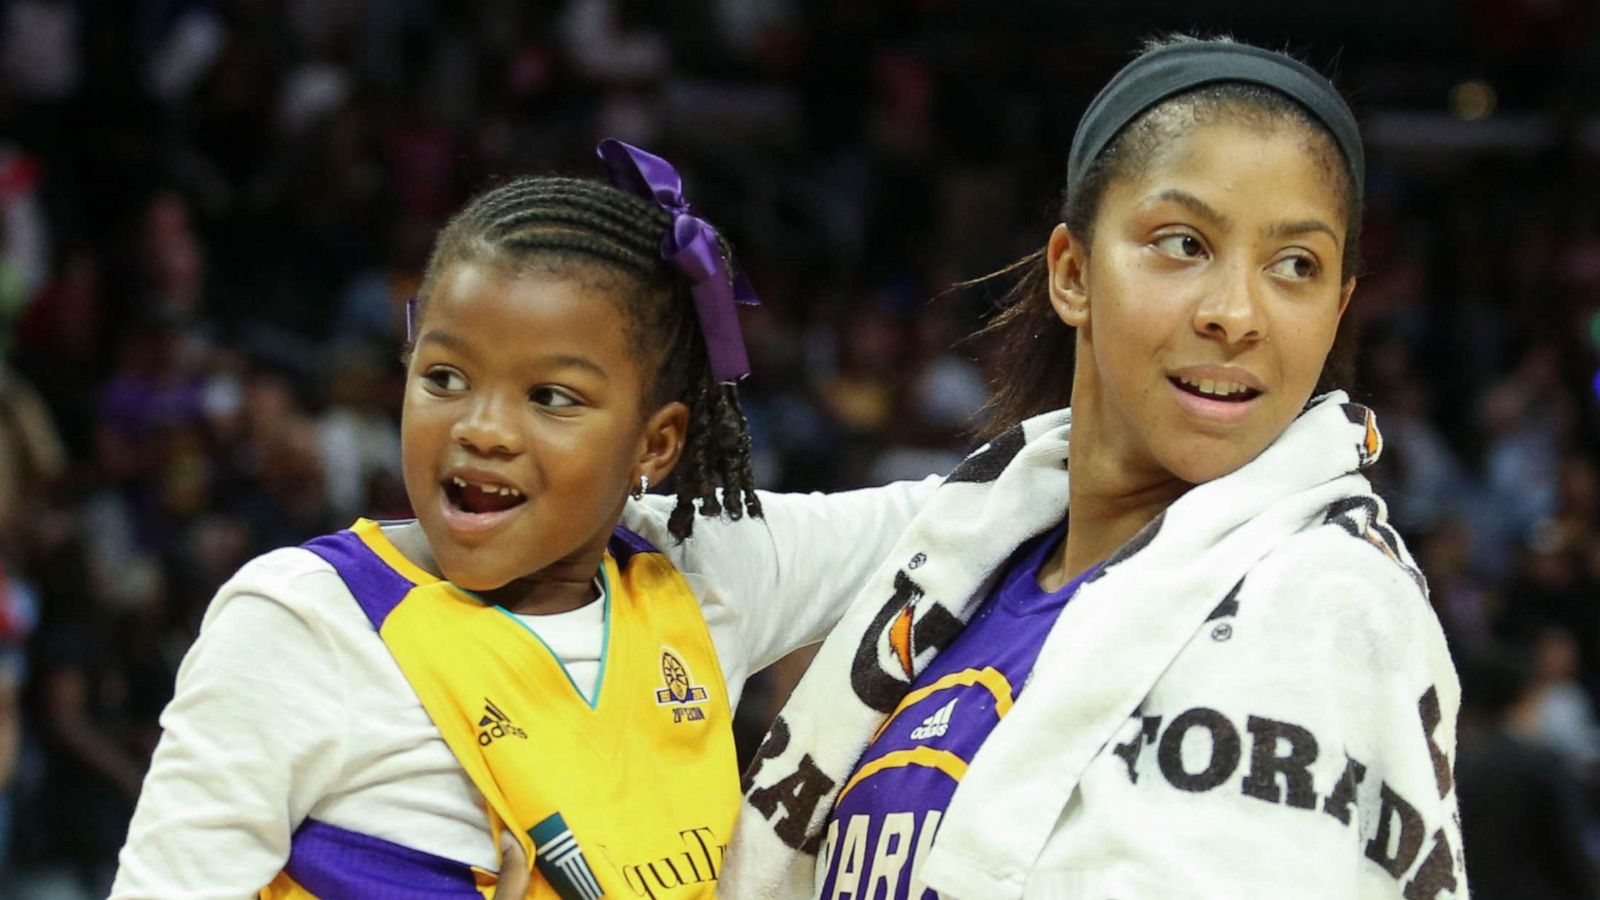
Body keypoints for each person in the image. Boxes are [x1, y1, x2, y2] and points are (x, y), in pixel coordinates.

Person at [729, 36, 1466, 899]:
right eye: (1183, 243)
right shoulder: (960, 540)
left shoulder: (1329, 599)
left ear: (1339, 309)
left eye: (1295, 265)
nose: (1237, 313)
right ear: (1073, 272)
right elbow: (653, 548)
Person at [110, 140, 936, 898]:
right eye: (444, 377)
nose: (480, 427)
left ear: (655, 443)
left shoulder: (700, 567)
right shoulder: (299, 623)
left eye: (550, 397)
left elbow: (981, 504)